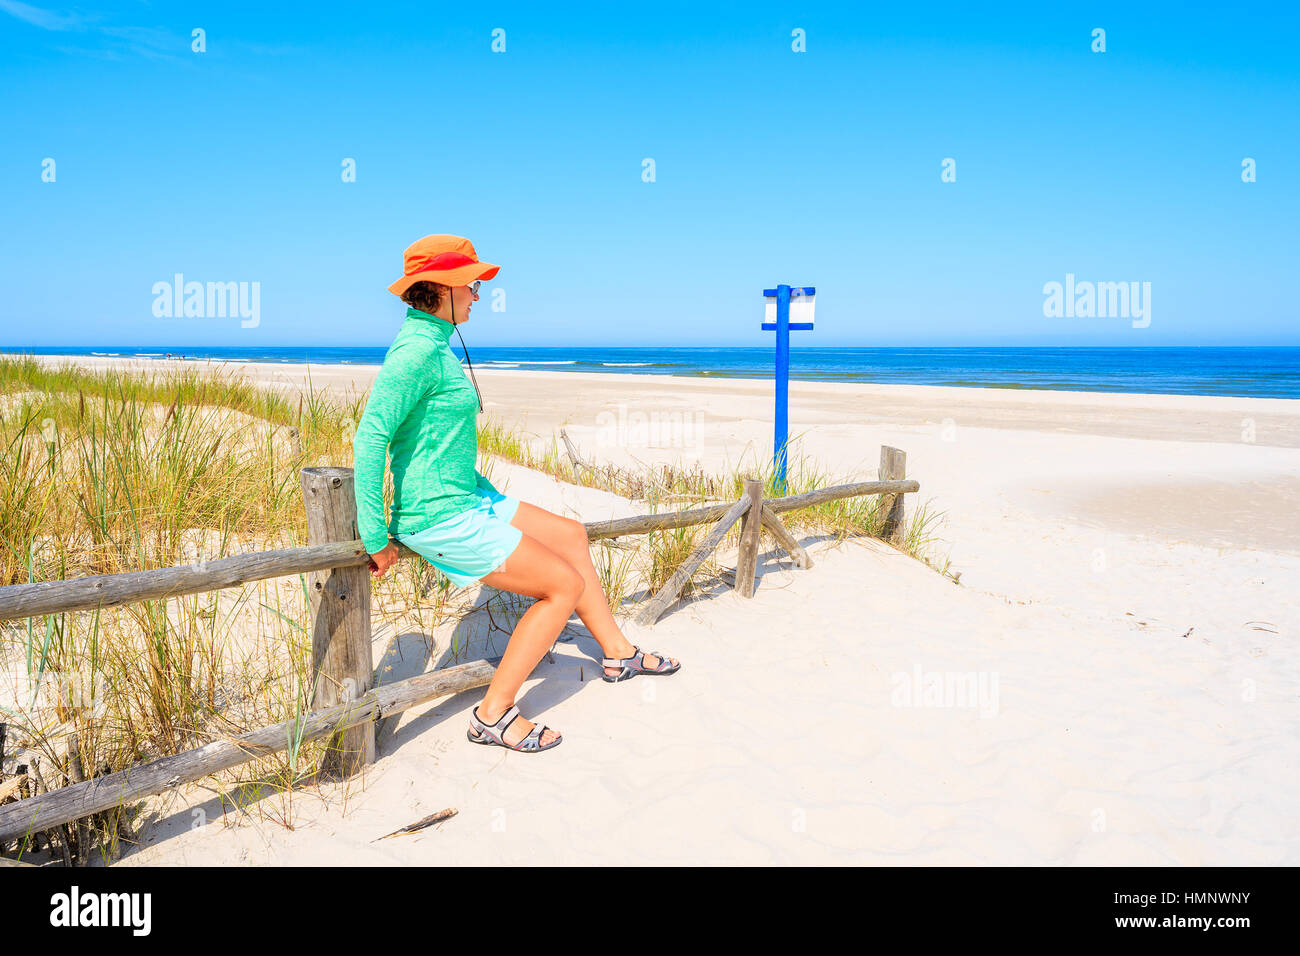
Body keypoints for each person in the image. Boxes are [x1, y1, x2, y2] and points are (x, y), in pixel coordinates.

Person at [353, 235, 681, 754]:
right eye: (473, 284)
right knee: (561, 587)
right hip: (435, 514)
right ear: (441, 288)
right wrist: (375, 533)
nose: (480, 294)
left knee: (571, 535)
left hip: (468, 497)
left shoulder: (437, 339)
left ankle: (617, 653)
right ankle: (493, 714)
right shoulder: (416, 351)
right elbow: (371, 436)